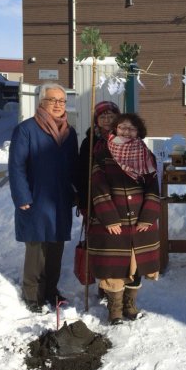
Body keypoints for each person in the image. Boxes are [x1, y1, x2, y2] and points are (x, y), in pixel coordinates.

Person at [8, 83, 79, 313]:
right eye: (53, 100)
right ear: (41, 102)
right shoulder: (26, 129)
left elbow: (74, 166)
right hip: (36, 196)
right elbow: (16, 166)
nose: (58, 105)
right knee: (37, 247)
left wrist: (78, 191)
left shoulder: (69, 133)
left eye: (62, 100)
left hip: (60, 197)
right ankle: (32, 295)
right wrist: (21, 195)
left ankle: (51, 290)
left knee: (56, 246)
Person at [87, 113, 161, 325]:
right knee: (114, 267)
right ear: (115, 129)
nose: (126, 132)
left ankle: (130, 306)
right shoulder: (102, 154)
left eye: (132, 128)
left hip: (140, 222)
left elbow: (153, 187)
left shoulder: (146, 155)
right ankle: (115, 310)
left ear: (138, 132)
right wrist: (109, 218)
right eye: (122, 128)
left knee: (136, 265)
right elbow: (98, 188)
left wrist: (148, 216)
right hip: (112, 222)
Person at [74, 100, 121, 302]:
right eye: (103, 116)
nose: (107, 120)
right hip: (95, 201)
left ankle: (117, 288)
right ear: (96, 120)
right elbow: (82, 174)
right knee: (100, 246)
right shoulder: (90, 141)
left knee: (118, 247)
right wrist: (84, 202)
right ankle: (103, 286)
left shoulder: (125, 138)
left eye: (111, 116)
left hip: (120, 202)